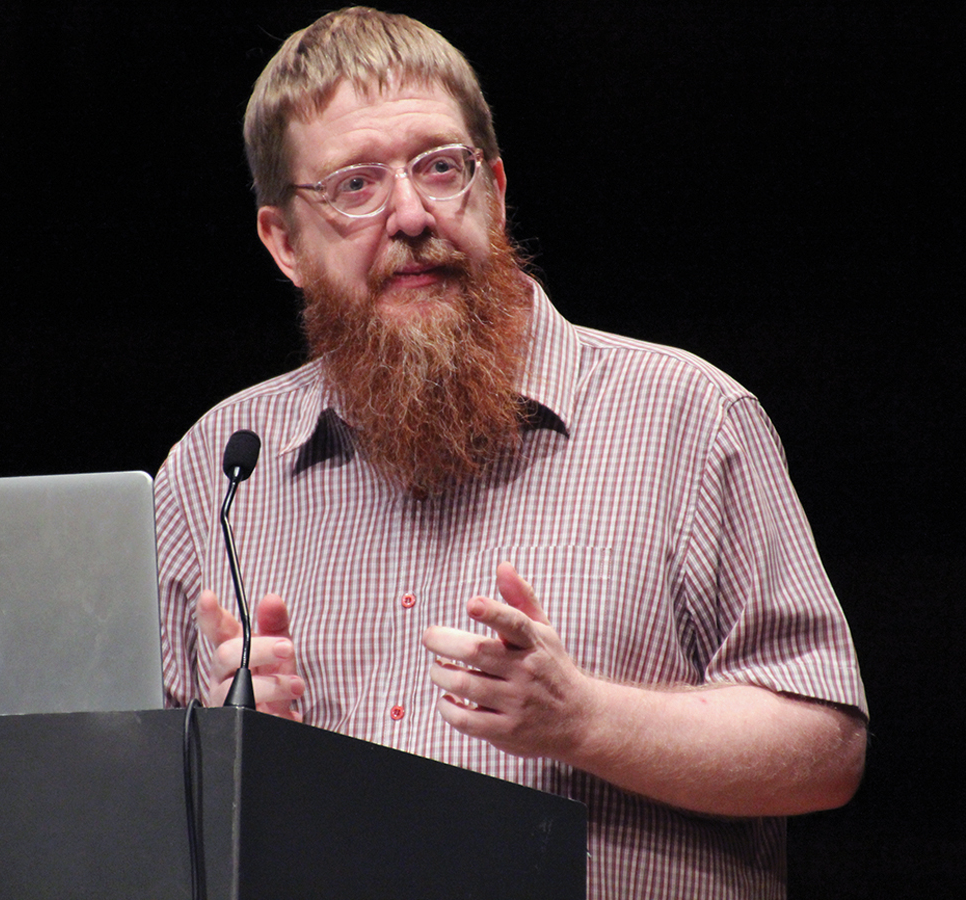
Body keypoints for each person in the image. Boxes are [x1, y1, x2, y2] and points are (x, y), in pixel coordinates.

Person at [154, 8, 868, 898]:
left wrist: (582, 719)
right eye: (356, 186)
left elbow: (826, 751)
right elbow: (129, 820)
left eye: (439, 168)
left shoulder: (686, 417)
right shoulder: (217, 467)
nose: (411, 214)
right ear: (284, 242)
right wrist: (223, 749)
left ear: (492, 188)